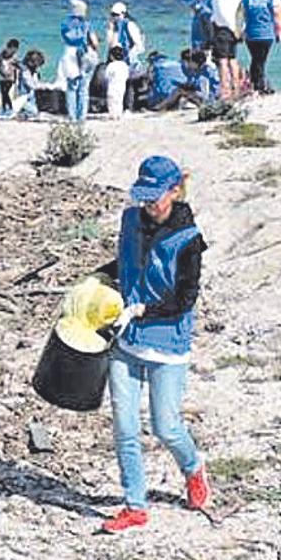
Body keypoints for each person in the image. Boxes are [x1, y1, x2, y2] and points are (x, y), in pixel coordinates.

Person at [97, 155, 210, 533]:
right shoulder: (130, 219)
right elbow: (126, 263)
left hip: (166, 345)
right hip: (126, 342)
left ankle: (193, 468)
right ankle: (135, 505)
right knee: (125, 427)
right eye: (142, 196)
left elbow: (185, 299)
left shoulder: (188, 240)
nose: (147, 205)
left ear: (174, 192)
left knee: (166, 426)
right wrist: (97, 283)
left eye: (154, 197)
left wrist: (142, 310)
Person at [243, 0, 281, 95]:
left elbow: (242, 15)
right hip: (266, 34)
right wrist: (280, 33)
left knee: (256, 59)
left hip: (250, 34)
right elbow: (278, 18)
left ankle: (256, 84)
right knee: (260, 60)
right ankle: (259, 86)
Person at [59, 0, 100, 122]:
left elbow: (65, 38)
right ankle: (81, 116)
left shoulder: (65, 24)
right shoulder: (86, 24)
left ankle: (72, 116)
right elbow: (94, 42)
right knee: (84, 87)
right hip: (83, 53)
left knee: (71, 87)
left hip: (69, 52)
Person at [210, 0, 244, 100]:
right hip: (236, 29)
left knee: (223, 61)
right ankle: (237, 88)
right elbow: (241, 11)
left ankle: (225, 90)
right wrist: (239, 29)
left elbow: (220, 13)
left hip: (223, 29)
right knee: (233, 59)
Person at [105, 1, 146, 73]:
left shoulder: (130, 25)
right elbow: (110, 45)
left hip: (129, 59)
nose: (115, 17)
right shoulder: (113, 27)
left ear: (123, 14)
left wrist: (130, 56)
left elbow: (139, 45)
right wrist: (112, 30)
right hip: (116, 58)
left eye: (117, 15)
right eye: (113, 15)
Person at [0, 39, 23, 116]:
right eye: (14, 49)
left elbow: (19, 66)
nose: (15, 51)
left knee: (6, 92)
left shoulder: (14, 57)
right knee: (3, 93)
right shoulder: (2, 54)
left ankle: (10, 108)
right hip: (2, 77)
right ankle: (4, 109)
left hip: (11, 78)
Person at [105, 46, 130, 119]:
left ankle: (113, 114)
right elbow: (127, 75)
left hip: (113, 85)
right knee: (120, 100)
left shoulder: (111, 65)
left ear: (112, 56)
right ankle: (119, 114)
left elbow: (107, 75)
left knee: (111, 100)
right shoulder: (124, 65)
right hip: (122, 85)